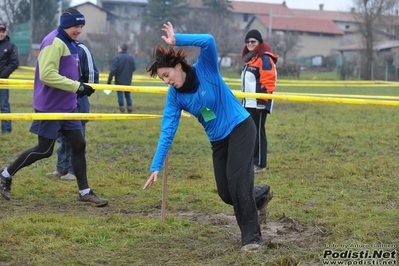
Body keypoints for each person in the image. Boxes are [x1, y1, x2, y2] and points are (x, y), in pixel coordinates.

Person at [143, 22, 273, 252]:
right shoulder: (175, 97)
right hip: (218, 140)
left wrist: (177, 39)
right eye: (162, 78)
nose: (166, 81)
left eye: (166, 75)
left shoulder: (206, 69)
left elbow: (209, 40)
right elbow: (167, 130)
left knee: (237, 180)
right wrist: (156, 165)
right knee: (226, 193)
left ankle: (252, 239)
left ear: (177, 65)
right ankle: (260, 195)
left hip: (241, 126)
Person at [0, 8, 108, 207]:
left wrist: (77, 90)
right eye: (76, 26)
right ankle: (5, 174)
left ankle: (84, 192)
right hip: (50, 106)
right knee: (44, 150)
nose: (79, 30)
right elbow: (47, 75)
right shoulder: (53, 42)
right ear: (66, 24)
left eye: (81, 26)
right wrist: (78, 87)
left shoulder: (70, 43)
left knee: (79, 145)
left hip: (68, 105)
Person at [46, 40, 99, 181]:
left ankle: (73, 171)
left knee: (76, 139)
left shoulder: (82, 49)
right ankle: (61, 168)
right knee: (62, 138)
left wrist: (82, 91)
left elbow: (92, 77)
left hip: (78, 102)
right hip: (59, 103)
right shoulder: (56, 47)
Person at [241, 29, 278, 174]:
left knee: (258, 131)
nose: (250, 44)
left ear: (260, 43)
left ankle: (260, 164)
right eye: (247, 41)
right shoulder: (251, 59)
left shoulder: (264, 59)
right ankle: (252, 161)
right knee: (251, 132)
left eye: (253, 41)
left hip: (259, 103)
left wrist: (263, 101)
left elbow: (268, 80)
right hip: (248, 102)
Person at [0, 23, 19, 134]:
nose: (1, 34)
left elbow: (14, 63)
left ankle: (6, 130)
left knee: (4, 105)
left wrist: (2, 75)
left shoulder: (11, 46)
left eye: (3, 31)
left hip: (3, 81)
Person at [107, 42, 136, 113]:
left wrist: (109, 80)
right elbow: (134, 68)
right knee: (128, 95)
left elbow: (113, 70)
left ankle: (122, 108)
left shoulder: (116, 57)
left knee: (120, 95)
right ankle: (130, 107)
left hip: (119, 80)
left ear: (121, 48)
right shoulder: (130, 57)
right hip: (128, 80)